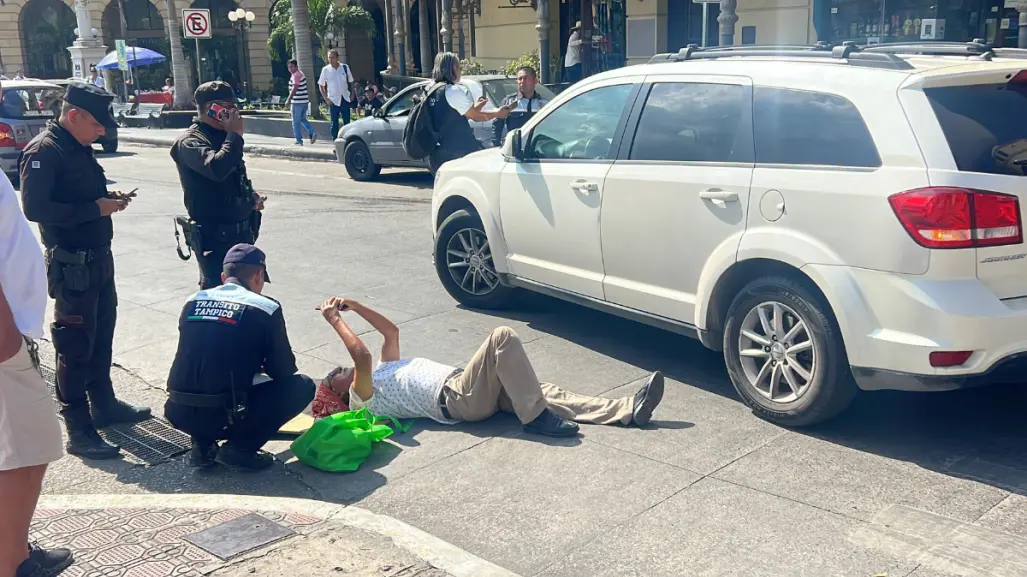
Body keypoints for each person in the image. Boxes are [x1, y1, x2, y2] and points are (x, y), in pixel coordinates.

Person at [19, 83, 150, 461]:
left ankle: (104, 404)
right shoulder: (44, 151)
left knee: (101, 335)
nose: (103, 131)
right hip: (72, 264)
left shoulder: (77, 146)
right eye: (97, 124)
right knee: (74, 347)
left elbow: (81, 195)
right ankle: (78, 429)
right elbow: (35, 208)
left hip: (98, 260)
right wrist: (96, 209)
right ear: (73, 115)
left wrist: (109, 201)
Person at [315, 297, 665, 437]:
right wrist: (334, 320)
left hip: (470, 388)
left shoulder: (383, 370)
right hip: (458, 398)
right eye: (336, 374)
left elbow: (390, 332)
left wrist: (357, 307)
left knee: (543, 392)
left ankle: (626, 411)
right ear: (342, 391)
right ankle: (536, 420)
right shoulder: (364, 399)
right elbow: (360, 355)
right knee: (501, 337)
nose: (339, 368)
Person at [1, 83, 75, 576]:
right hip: (3, 346)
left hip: (10, 335)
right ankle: (12, 562)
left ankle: (15, 548)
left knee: (22, 451)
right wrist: (9, 345)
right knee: (27, 453)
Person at [165, 244, 315, 471]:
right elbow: (283, 370)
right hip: (225, 414)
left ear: (224, 277)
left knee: (209, 379)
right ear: (258, 275)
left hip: (178, 411)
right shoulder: (265, 307)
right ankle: (240, 449)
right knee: (301, 386)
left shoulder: (192, 300)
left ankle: (202, 447)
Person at [170, 81, 265, 290]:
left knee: (247, 295)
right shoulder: (190, 141)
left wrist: (250, 197)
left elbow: (233, 176)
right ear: (214, 109)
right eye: (229, 106)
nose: (234, 111)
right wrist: (234, 135)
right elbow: (216, 168)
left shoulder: (224, 137)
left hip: (242, 236)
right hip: (215, 240)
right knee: (220, 296)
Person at [425, 52, 510, 173]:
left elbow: (450, 116)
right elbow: (475, 116)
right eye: (459, 68)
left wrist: (475, 107)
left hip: (436, 151)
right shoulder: (452, 91)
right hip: (456, 150)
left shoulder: (431, 89)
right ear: (453, 68)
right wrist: (497, 113)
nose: (460, 71)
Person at [492, 65, 548, 147]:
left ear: (535, 81)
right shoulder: (509, 102)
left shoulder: (544, 103)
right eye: (519, 79)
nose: (522, 81)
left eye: (525, 78)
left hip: (538, 148)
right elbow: (497, 125)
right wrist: (497, 145)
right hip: (516, 148)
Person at [317, 49, 355, 139]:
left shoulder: (345, 67)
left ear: (337, 58)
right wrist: (326, 98)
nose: (330, 60)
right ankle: (335, 140)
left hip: (345, 97)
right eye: (329, 58)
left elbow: (351, 82)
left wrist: (353, 94)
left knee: (347, 121)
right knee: (334, 122)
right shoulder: (325, 70)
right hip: (333, 100)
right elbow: (321, 85)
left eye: (332, 57)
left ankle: (347, 139)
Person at [284, 59, 316, 145]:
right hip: (304, 101)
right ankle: (311, 132)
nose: (290, 68)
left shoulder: (296, 75)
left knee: (295, 121)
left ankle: (299, 140)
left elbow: (295, 87)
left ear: (296, 66)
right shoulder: (300, 73)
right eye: (289, 67)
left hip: (297, 102)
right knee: (302, 119)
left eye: (292, 66)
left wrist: (289, 99)